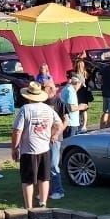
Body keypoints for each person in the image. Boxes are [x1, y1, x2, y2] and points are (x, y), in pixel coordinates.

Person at [10, 81, 64, 209]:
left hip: (28, 150)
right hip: (45, 149)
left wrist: (14, 148)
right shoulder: (47, 109)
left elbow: (17, 131)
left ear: (28, 96)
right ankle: (43, 204)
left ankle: (28, 207)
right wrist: (53, 135)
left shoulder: (25, 109)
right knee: (44, 178)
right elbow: (59, 124)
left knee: (28, 180)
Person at [43, 78, 68, 200]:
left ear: (51, 89)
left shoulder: (60, 102)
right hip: (43, 138)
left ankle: (59, 190)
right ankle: (46, 191)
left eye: (45, 88)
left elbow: (66, 121)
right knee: (44, 165)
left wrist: (56, 134)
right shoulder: (42, 102)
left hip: (55, 139)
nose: (43, 90)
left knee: (53, 165)